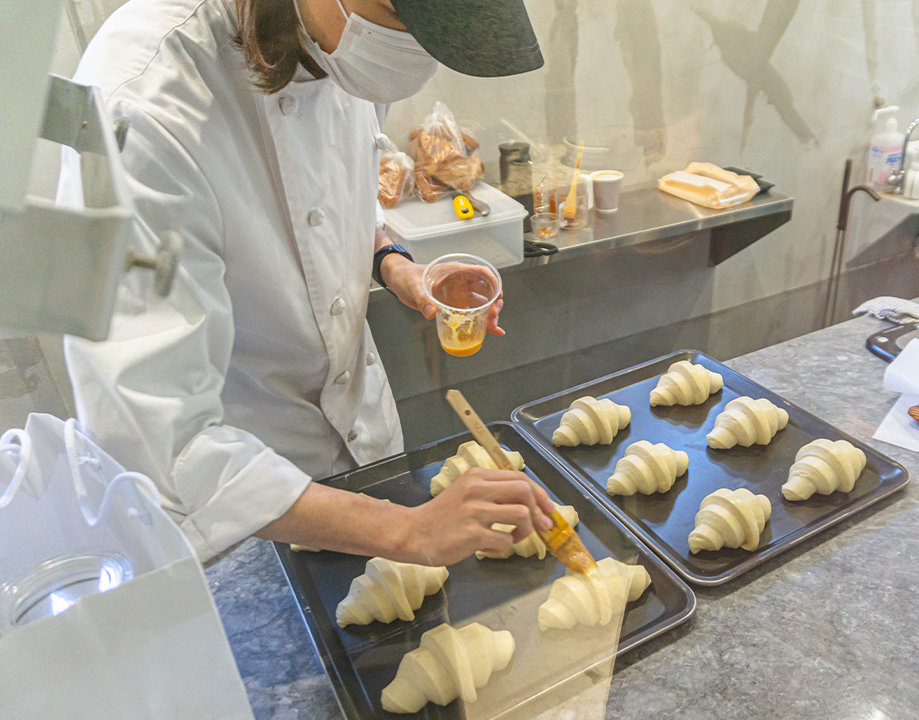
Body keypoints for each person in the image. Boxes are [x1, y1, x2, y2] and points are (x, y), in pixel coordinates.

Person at [58, 0, 552, 565]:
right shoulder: (142, 101)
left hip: (368, 456)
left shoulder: (339, 44)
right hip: (242, 516)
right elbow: (157, 440)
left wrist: (395, 264)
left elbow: (344, 187)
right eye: (399, 16)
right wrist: (406, 532)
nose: (411, 51)